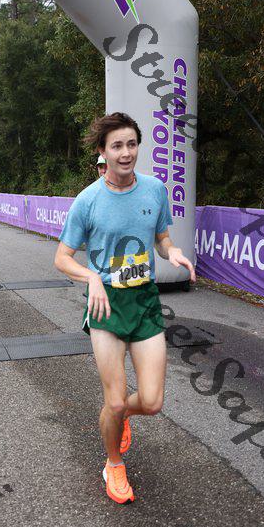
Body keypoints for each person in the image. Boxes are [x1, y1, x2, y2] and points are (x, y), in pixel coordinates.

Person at [54, 112, 196, 505]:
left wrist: (173, 251)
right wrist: (92, 277)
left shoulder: (154, 189)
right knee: (114, 400)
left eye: (131, 144)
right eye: (117, 145)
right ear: (103, 151)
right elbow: (62, 258)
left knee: (150, 402)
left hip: (144, 300)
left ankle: (122, 418)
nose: (126, 152)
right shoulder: (88, 200)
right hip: (106, 305)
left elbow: (162, 238)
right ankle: (113, 463)